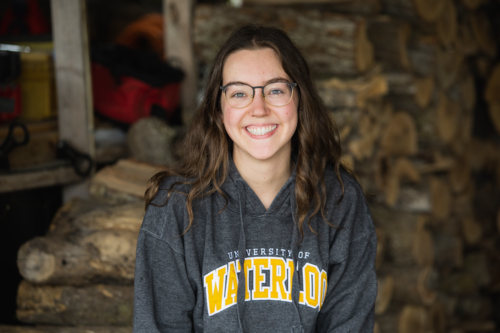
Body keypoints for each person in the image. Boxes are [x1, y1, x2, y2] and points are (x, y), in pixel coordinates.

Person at [133, 24, 377, 333]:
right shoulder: (177, 208)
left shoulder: (340, 200)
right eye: (239, 93)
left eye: (275, 89)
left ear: (299, 100)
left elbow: (349, 325)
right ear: (219, 111)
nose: (258, 109)